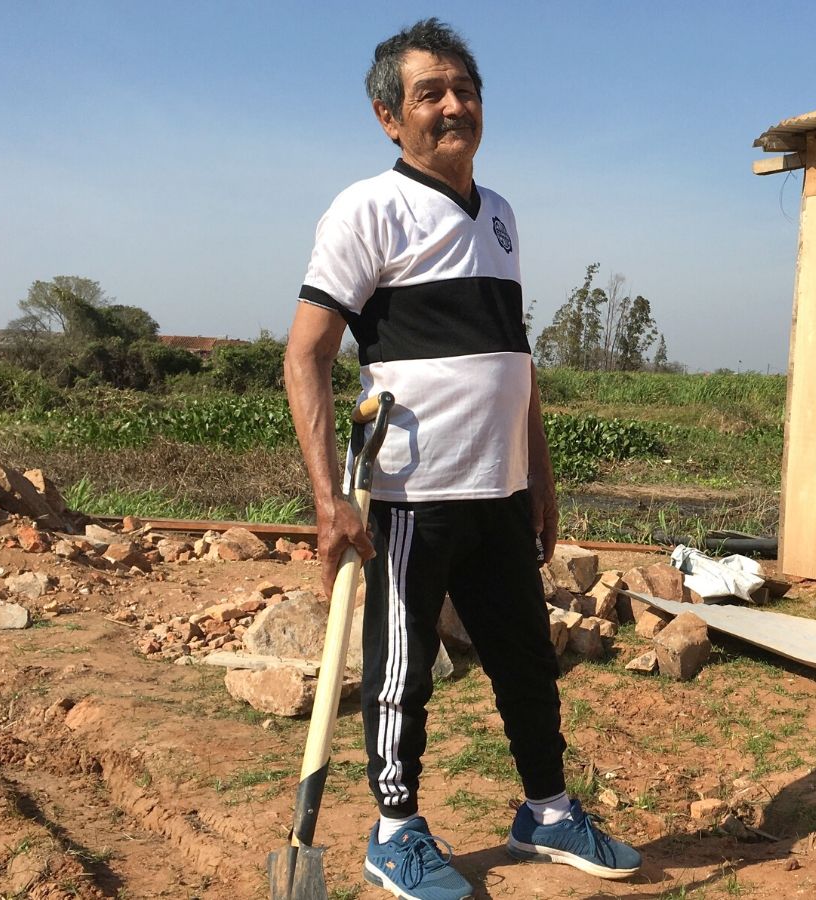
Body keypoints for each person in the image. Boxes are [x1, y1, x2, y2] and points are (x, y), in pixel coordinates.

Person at [283, 18, 640, 900]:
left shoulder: (503, 216)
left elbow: (514, 359)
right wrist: (331, 499)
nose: (452, 107)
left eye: (463, 90)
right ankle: (395, 831)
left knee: (525, 655)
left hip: (500, 486)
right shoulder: (367, 208)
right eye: (428, 94)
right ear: (388, 117)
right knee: (402, 669)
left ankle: (547, 811)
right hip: (412, 490)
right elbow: (306, 355)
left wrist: (542, 477)